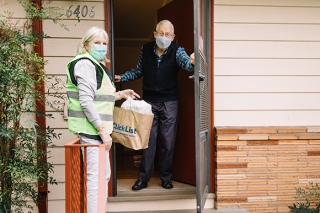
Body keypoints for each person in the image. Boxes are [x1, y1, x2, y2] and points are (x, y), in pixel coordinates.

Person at [66, 26, 140, 213]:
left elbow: (100, 97)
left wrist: (121, 94)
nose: (101, 47)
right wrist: (102, 131)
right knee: (96, 180)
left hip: (98, 133)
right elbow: (85, 101)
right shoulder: (85, 64)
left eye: (104, 43)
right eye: (97, 43)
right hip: (91, 132)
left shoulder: (96, 65)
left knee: (103, 177)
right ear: (86, 44)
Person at [115, 20, 195, 190]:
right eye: (161, 33)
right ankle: (143, 179)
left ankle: (166, 177)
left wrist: (194, 62)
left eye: (167, 34)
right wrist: (121, 77)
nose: (163, 37)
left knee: (168, 141)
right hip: (149, 102)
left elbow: (187, 64)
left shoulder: (177, 51)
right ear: (155, 34)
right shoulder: (146, 49)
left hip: (169, 101)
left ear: (173, 37)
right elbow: (138, 71)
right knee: (148, 141)